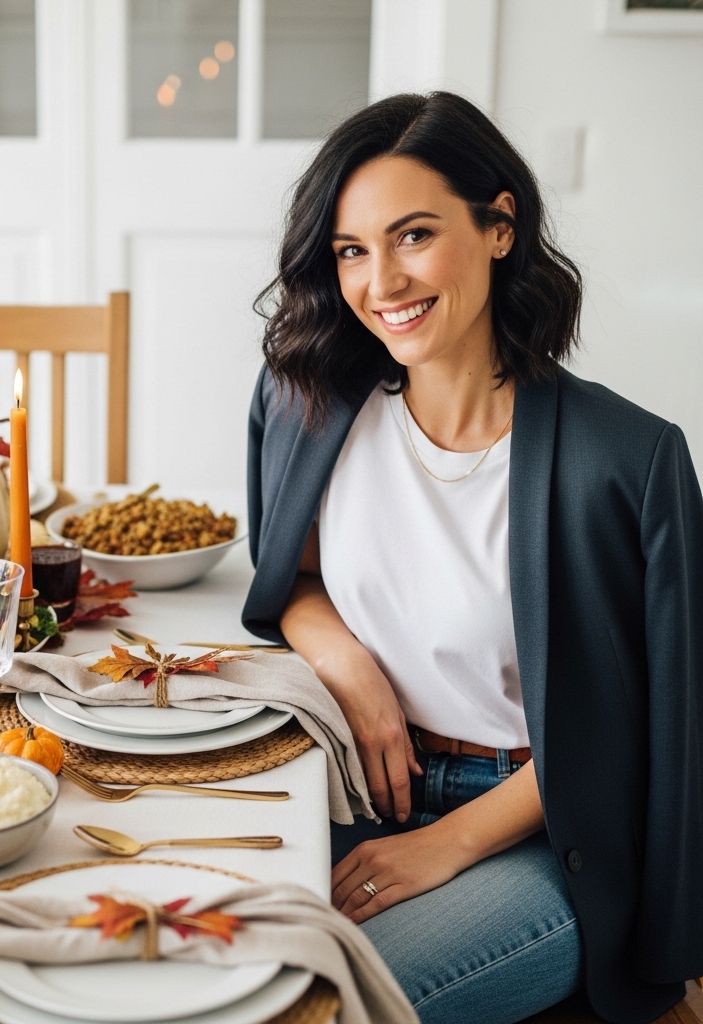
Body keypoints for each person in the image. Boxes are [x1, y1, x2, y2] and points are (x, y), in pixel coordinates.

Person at [242, 91, 703, 1024]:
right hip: (352, 782)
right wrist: (348, 664)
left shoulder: (629, 462)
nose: (382, 282)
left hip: (544, 832)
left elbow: (656, 729)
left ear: (500, 226)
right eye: (351, 251)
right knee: (195, 949)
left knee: (316, 1004)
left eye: (413, 236)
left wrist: (447, 843)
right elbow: (290, 578)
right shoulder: (307, 403)